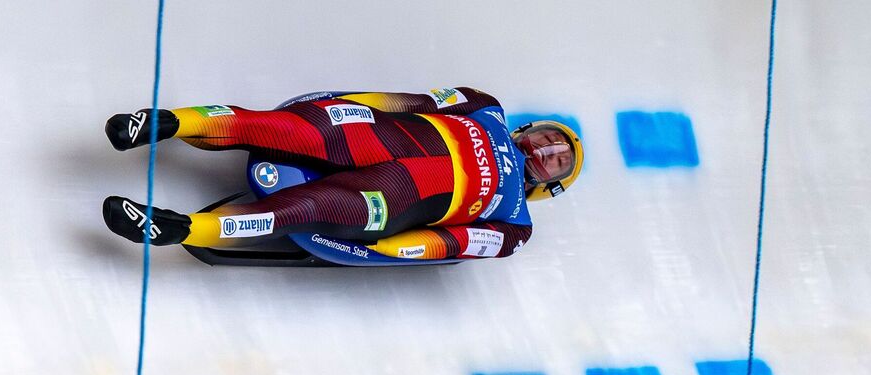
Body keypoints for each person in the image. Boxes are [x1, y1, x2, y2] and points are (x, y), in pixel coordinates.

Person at [102, 87, 583, 261]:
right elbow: (412, 103)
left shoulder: (516, 225)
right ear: (532, 129)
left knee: (304, 209)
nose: (549, 149)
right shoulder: (484, 106)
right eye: (551, 137)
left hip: (396, 198)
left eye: (560, 158)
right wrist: (354, 106)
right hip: (379, 134)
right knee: (284, 128)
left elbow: (454, 245)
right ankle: (168, 121)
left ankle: (179, 228)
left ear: (550, 183)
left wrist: (393, 249)